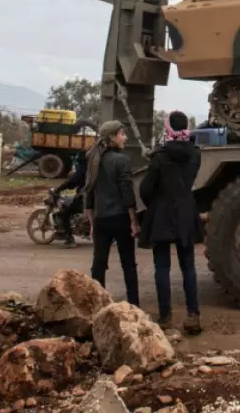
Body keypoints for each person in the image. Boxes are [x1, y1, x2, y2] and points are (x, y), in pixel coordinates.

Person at [139, 110, 203, 335]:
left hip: (162, 215)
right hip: (186, 212)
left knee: (162, 267)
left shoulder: (159, 157)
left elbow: (145, 189)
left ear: (168, 129)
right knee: (188, 267)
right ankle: (193, 315)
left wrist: (155, 203)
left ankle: (165, 317)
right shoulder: (196, 155)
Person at [84, 121, 139, 306]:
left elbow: (89, 193)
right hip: (120, 219)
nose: (125, 138)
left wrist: (92, 223)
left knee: (98, 264)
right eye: (122, 134)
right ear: (112, 138)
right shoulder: (121, 160)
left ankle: (98, 305)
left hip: (101, 220)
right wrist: (133, 220)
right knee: (129, 265)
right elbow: (127, 192)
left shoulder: (92, 158)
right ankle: (133, 305)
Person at [51, 152, 85, 248]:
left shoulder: (83, 168)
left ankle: (69, 238)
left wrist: (58, 189)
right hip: (90, 196)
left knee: (64, 212)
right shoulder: (93, 167)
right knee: (70, 201)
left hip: (86, 198)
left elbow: (72, 182)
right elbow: (73, 184)